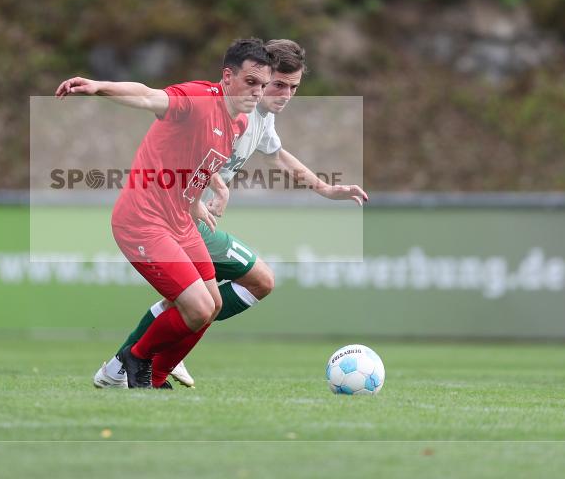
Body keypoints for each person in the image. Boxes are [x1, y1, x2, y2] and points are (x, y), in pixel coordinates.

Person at [94, 39, 368, 389]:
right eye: (278, 85)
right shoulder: (234, 109)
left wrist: (325, 188)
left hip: (193, 215)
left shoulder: (261, 116)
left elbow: (276, 156)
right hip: (179, 216)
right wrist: (211, 192)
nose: (284, 95)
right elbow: (181, 140)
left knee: (240, 288)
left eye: (294, 88)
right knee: (202, 299)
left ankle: (140, 362)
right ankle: (134, 363)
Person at [56, 38, 274, 388]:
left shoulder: (239, 124)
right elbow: (146, 95)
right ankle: (134, 358)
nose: (257, 92)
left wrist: (209, 191)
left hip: (179, 221)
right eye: (250, 82)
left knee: (212, 306)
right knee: (198, 308)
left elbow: (196, 158)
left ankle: (154, 376)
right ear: (227, 76)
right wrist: (99, 87)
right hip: (142, 220)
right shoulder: (200, 100)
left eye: (263, 85)